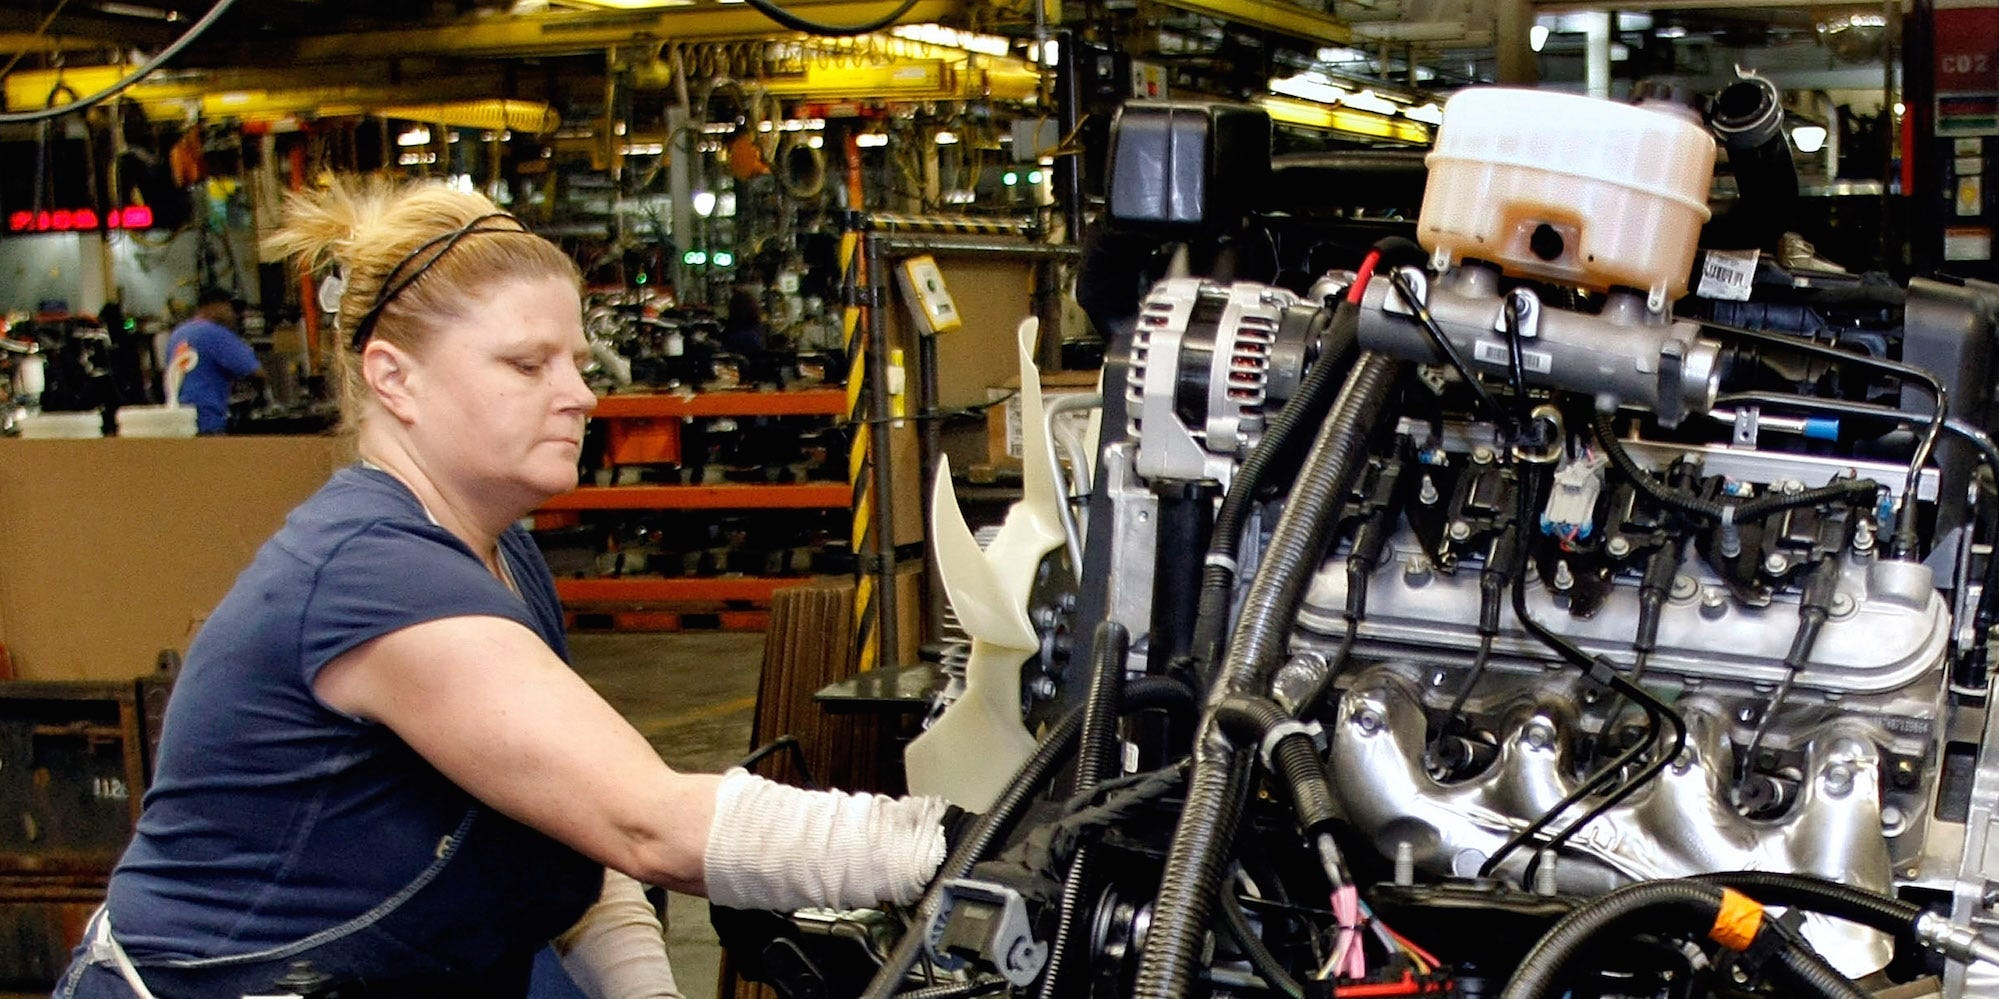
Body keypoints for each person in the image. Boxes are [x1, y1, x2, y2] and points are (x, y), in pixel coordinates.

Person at [55, 181, 949, 998]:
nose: (581, 395)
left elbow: (581, 834)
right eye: (528, 366)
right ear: (392, 378)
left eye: (575, 361)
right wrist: (939, 843)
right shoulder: (374, 574)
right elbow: (649, 823)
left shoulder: (500, 554)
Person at [164, 288, 261, 434]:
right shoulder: (216, 333)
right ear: (215, 307)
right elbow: (256, 373)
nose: (234, 315)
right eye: (230, 308)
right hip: (207, 421)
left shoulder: (178, 334)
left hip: (179, 421)